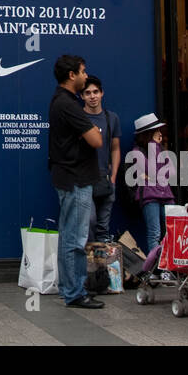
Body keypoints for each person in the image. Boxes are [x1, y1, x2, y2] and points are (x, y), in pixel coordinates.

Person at [47, 54, 106, 309]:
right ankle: (74, 292)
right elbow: (97, 140)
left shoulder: (62, 101)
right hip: (76, 180)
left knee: (69, 236)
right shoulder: (68, 104)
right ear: (72, 75)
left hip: (69, 178)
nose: (85, 75)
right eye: (82, 71)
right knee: (75, 238)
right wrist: (92, 132)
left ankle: (71, 289)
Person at [81, 75, 120, 242]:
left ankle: (101, 267)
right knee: (88, 223)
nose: (92, 96)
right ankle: (87, 267)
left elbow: (116, 148)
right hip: (83, 180)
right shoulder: (78, 117)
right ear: (82, 96)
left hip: (105, 180)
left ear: (102, 93)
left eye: (95, 92)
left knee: (103, 229)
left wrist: (113, 177)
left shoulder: (111, 118)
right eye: (88, 93)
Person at [129, 113, 174, 256]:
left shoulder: (161, 149)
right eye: (156, 131)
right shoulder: (137, 152)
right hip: (150, 197)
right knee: (155, 233)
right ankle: (157, 268)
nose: (160, 134)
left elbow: (170, 172)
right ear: (148, 134)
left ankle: (170, 266)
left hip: (166, 194)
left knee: (171, 231)